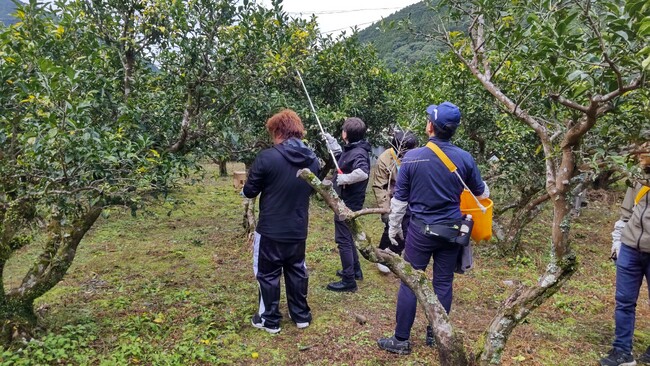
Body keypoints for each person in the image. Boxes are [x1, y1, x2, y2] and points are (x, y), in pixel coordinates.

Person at [377, 102, 489, 355]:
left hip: (420, 231)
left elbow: (399, 202)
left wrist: (394, 230)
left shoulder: (412, 158)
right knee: (443, 282)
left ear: (430, 126)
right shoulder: (464, 158)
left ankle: (401, 340)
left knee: (410, 282)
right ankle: (434, 334)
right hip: (452, 230)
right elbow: (482, 194)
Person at [242, 109, 320, 334]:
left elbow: (249, 191)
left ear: (278, 131)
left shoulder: (267, 157)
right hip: (297, 227)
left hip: (270, 230)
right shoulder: (312, 160)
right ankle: (301, 315)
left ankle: (270, 319)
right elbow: (312, 190)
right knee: (296, 269)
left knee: (267, 273)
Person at [600, 138, 650, 366]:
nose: (639, 156)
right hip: (631, 247)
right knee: (624, 300)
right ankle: (622, 352)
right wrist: (618, 239)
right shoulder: (637, 178)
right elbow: (627, 211)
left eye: (644, 152)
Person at [323, 117, 372, 292]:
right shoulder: (354, 148)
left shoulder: (358, 153)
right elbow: (342, 158)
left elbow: (362, 172)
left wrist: (345, 179)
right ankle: (355, 270)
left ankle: (349, 280)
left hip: (348, 203)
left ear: (346, 133)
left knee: (343, 239)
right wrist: (333, 143)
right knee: (349, 235)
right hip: (348, 200)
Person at [371, 130, 419, 273]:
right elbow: (379, 186)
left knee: (408, 228)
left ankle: (395, 254)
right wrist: (386, 209)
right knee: (392, 225)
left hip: (412, 198)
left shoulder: (418, 158)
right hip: (393, 198)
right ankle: (384, 256)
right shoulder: (385, 159)